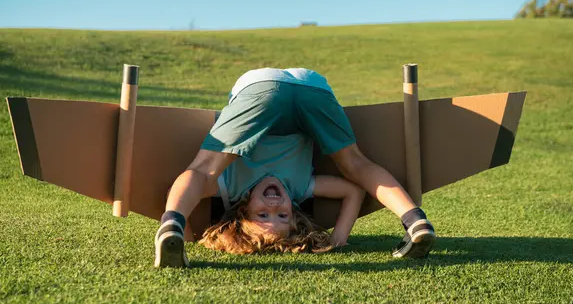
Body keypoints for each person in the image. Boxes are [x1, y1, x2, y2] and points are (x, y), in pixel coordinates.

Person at [154, 68, 435, 267]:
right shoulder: (300, 188)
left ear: (243, 210)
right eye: (283, 214)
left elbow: (187, 184)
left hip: (260, 88)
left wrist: (184, 230)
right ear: (294, 213)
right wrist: (338, 239)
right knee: (355, 164)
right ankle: (415, 221)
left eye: (263, 214)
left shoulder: (233, 188)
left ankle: (171, 226)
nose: (274, 204)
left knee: (204, 170)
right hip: (311, 87)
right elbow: (353, 191)